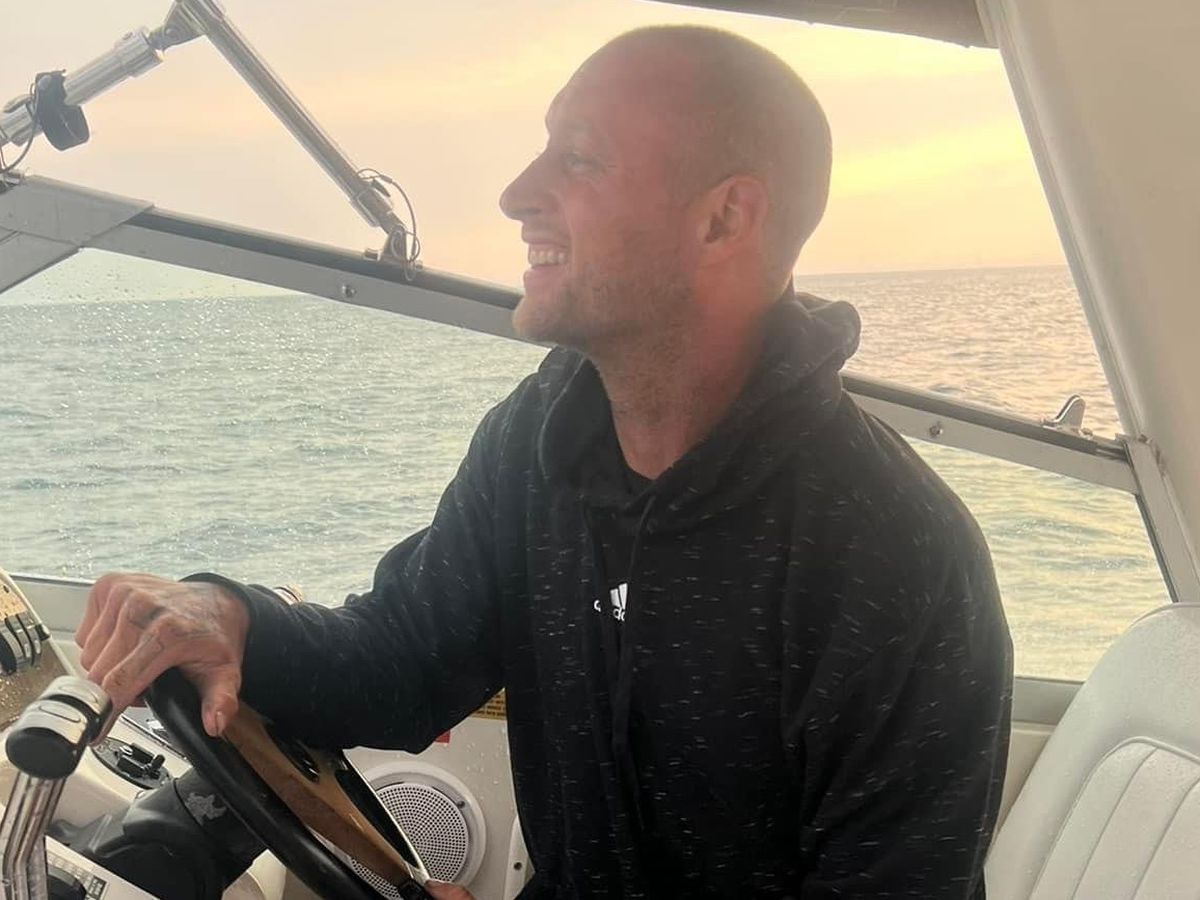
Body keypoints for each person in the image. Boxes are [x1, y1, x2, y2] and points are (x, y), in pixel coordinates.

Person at [75, 25, 1012, 900]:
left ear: (725, 218)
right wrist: (235, 620)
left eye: (579, 158)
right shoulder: (539, 439)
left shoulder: (899, 558)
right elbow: (402, 661)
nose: (517, 194)